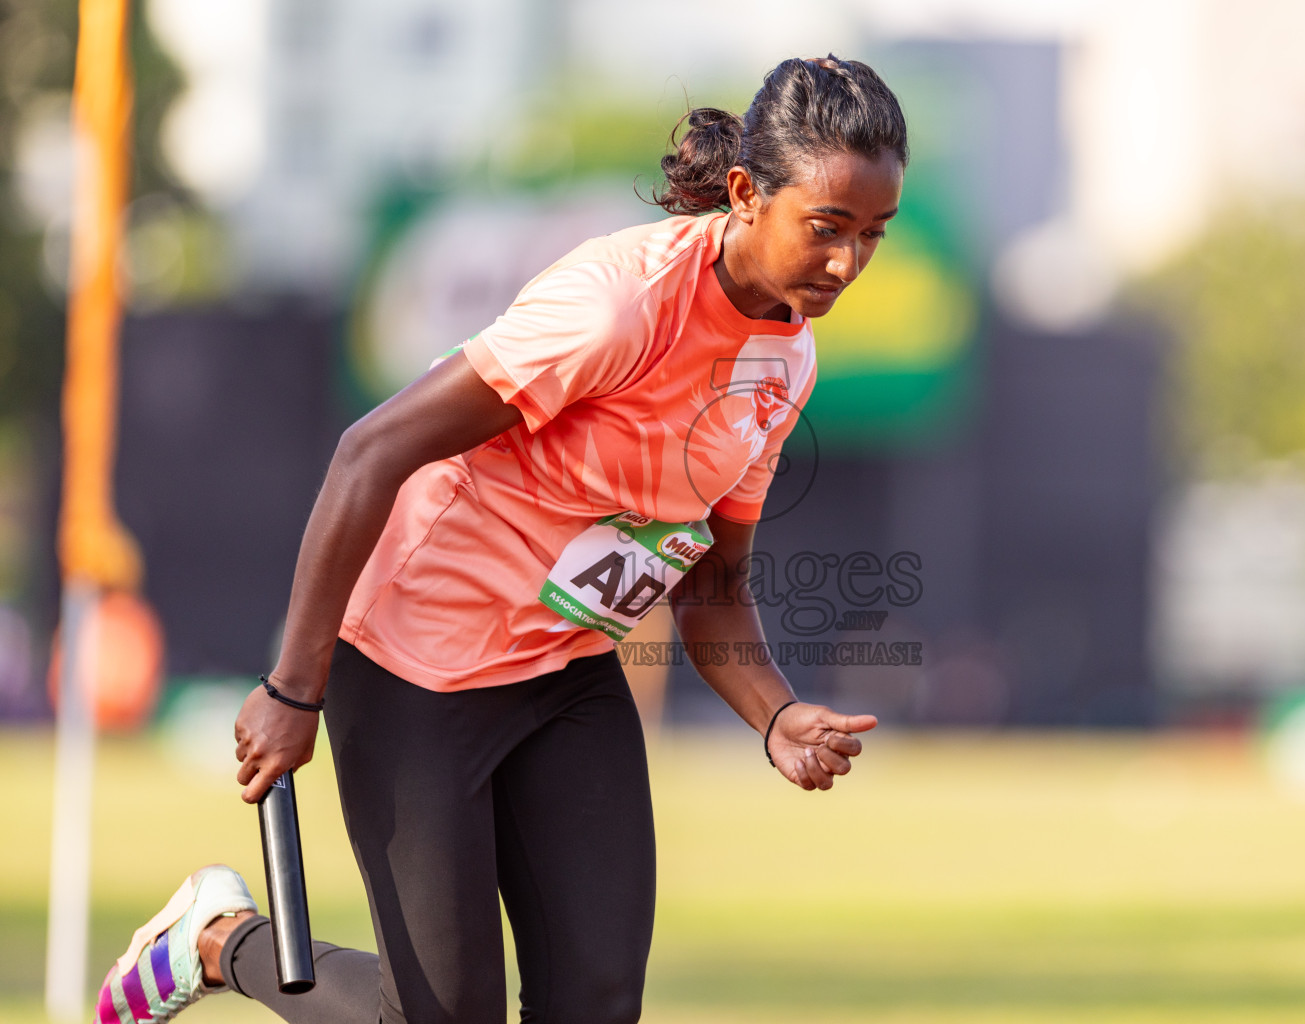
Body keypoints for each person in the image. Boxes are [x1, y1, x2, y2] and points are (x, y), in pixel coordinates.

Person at [96, 54, 908, 1024]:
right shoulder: (618, 307)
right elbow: (369, 453)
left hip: (563, 669)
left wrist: (775, 715)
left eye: (871, 235)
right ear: (744, 193)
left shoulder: (789, 358)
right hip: (416, 663)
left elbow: (712, 578)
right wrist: (291, 687)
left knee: (596, 1003)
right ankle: (216, 942)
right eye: (828, 229)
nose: (847, 263)